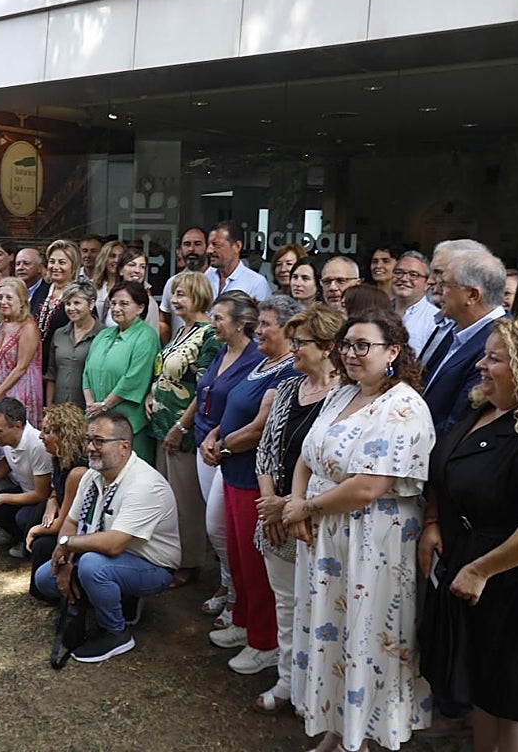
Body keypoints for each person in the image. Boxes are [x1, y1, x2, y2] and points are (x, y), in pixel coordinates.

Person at [419, 318, 518, 752]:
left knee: (515, 701)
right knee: (484, 691)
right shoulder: (484, 410)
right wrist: (434, 522)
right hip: (477, 570)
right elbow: (445, 470)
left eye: (495, 359)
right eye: (483, 355)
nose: (480, 366)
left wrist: (478, 570)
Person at [282, 311, 436, 752]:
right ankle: (335, 730)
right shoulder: (341, 394)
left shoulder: (403, 406)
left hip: (372, 542)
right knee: (331, 633)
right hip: (327, 535)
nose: (351, 354)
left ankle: (364, 738)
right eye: (346, 344)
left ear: (392, 351)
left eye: (362, 345)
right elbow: (308, 454)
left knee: (365, 637)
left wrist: (303, 509)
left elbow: (369, 486)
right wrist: (298, 504)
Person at [199, 295, 300, 675]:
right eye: (258, 323)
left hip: (257, 478)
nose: (258, 330)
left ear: (288, 330)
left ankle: (265, 642)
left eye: (266, 325)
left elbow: (260, 428)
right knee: (240, 557)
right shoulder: (261, 363)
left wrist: (221, 446)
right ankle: (243, 623)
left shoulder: (288, 371)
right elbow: (234, 409)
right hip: (233, 472)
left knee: (258, 566)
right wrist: (215, 435)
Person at [33, 410, 183, 663]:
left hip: (151, 565)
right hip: (104, 555)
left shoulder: (145, 484)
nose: (91, 448)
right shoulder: (92, 476)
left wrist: (67, 545)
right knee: (44, 579)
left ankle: (116, 633)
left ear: (124, 447)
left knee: (92, 567)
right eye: (89, 440)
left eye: (99, 441)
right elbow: (71, 521)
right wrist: (67, 561)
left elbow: (113, 544)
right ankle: (115, 599)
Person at [251, 304, 343, 716]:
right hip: (276, 518)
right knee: (285, 605)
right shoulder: (289, 388)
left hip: (317, 519)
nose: (293, 351)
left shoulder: (347, 396)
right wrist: (271, 505)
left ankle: (316, 693)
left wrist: (291, 506)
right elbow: (267, 451)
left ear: (326, 347)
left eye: (301, 343)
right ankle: (287, 682)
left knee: (317, 610)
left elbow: (337, 470)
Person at [192, 290, 260, 629]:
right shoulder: (221, 350)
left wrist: (220, 440)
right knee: (217, 528)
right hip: (203, 442)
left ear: (240, 323)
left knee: (219, 526)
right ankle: (226, 584)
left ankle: (236, 597)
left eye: (218, 318)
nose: (212, 323)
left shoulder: (256, 357)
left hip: (228, 453)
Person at [148, 271, 219, 586]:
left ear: (200, 297)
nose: (175, 301)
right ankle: (167, 555)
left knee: (185, 499)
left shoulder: (209, 334)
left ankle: (189, 562)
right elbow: (165, 372)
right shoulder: (180, 332)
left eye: (183, 295)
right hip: (161, 426)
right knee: (166, 497)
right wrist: (151, 393)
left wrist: (180, 425)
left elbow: (205, 387)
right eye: (174, 294)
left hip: (184, 431)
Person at [422, 250, 506, 435]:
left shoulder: (500, 343)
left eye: (445, 285)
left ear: (472, 295)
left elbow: (460, 422)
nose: (437, 290)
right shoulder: (457, 329)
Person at [84, 281, 161, 459]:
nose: (116, 308)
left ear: (140, 307)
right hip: (97, 420)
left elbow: (134, 378)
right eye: (113, 303)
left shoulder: (146, 337)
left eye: (124, 304)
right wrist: (91, 406)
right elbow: (87, 372)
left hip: (129, 424)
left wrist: (104, 405)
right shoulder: (104, 334)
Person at [23, 403, 90, 594]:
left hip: (78, 530)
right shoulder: (59, 458)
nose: (40, 436)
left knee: (40, 541)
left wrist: (34, 531)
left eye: (47, 431)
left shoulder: (78, 472)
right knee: (35, 513)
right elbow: (56, 490)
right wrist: (52, 500)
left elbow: (66, 522)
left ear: (64, 435)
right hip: (62, 516)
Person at [0, 397, 53, 556]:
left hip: (44, 501)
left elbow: (41, 494)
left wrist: (3, 498)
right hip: (24, 492)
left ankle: (30, 544)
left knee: (22, 517)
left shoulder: (37, 445)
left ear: (17, 426)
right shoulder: (8, 440)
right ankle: (20, 537)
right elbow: (7, 462)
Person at [0, 277, 43, 427]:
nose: (3, 301)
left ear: (22, 302)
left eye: (9, 297)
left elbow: (21, 367)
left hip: (18, 392)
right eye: (0, 297)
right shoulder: (4, 323)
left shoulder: (28, 327)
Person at [45, 280, 98, 409]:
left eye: (77, 303)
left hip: (88, 409)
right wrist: (49, 405)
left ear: (91, 304)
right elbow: (51, 374)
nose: (71, 308)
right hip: (60, 408)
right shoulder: (59, 334)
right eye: (68, 303)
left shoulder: (103, 335)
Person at [37, 240, 80, 376]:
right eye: (52, 261)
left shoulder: (79, 295)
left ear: (73, 266)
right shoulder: (41, 291)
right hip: (35, 365)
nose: (55, 267)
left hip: (62, 368)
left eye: (62, 262)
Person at [206, 221, 272, 302]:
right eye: (208, 245)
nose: (209, 250)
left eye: (216, 245)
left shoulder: (256, 283)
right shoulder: (206, 277)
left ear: (237, 246)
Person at [102, 248, 162, 337]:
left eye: (142, 267)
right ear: (121, 270)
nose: (137, 270)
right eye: (132, 265)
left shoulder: (149, 303)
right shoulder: (111, 298)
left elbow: (151, 337)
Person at [160, 227, 211, 328]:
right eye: (187, 244)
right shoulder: (173, 282)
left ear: (207, 247)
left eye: (197, 244)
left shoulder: (218, 280)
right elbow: (164, 321)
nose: (191, 249)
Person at [392, 250, 435, 355]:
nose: (404, 278)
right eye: (398, 272)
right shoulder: (378, 310)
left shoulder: (434, 320)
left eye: (413, 274)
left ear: (427, 284)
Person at [92, 239, 126, 320]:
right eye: (112, 256)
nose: (116, 260)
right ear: (104, 259)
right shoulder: (92, 285)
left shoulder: (130, 286)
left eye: (120, 257)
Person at [16, 246, 48, 318]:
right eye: (17, 264)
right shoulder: (11, 291)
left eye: (26, 263)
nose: (20, 267)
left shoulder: (49, 293)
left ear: (40, 268)